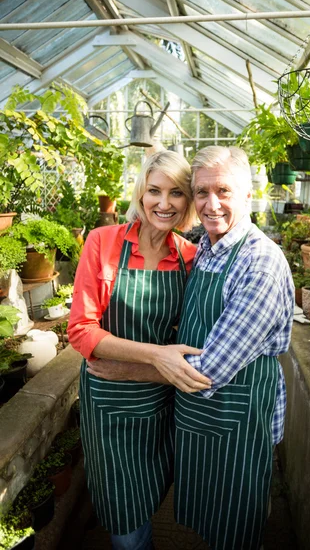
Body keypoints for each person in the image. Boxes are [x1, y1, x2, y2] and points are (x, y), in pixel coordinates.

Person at [67, 151, 211, 550]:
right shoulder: (103, 243)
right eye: (154, 191)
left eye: (176, 193)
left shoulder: (189, 257)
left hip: (161, 402)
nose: (163, 203)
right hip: (109, 406)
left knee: (150, 491)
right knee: (125, 522)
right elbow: (81, 331)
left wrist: (157, 366)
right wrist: (156, 356)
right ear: (140, 193)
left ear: (188, 203)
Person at [173, 146, 295, 550]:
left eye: (223, 191)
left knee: (238, 528)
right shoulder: (206, 248)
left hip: (236, 419)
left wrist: (125, 367)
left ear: (247, 195)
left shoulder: (260, 261)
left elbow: (206, 371)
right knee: (212, 522)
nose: (210, 205)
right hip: (202, 419)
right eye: (201, 192)